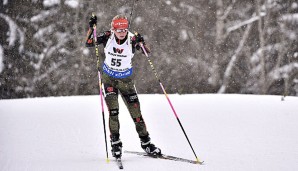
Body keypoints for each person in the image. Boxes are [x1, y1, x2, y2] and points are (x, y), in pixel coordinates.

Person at [86, 14, 161, 159]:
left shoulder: (132, 39)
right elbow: (89, 42)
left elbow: (147, 51)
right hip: (109, 80)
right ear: (113, 29)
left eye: (124, 29)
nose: (122, 32)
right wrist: (91, 28)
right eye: (119, 29)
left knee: (137, 115)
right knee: (114, 112)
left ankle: (146, 143)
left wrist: (142, 42)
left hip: (126, 82)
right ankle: (116, 143)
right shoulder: (107, 36)